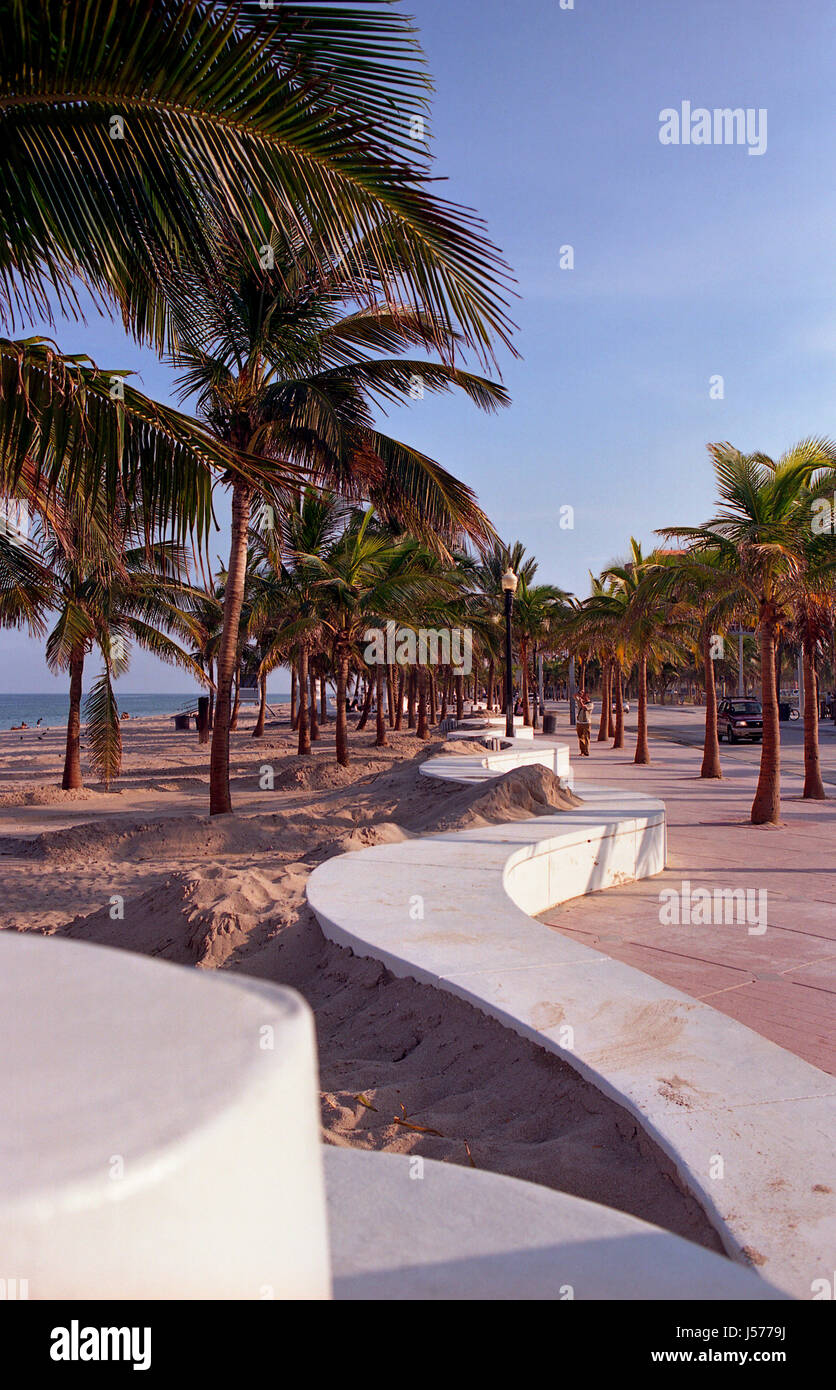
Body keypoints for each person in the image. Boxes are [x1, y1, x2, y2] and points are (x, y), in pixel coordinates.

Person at [576, 691, 592, 756]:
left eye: (584, 697)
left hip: (586, 722)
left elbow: (584, 707)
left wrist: (581, 701)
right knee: (580, 737)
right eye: (583, 696)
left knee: (586, 737)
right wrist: (579, 693)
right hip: (579, 722)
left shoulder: (590, 704)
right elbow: (574, 696)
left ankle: (586, 751)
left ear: (587, 697)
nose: (583, 698)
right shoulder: (581, 702)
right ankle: (582, 751)